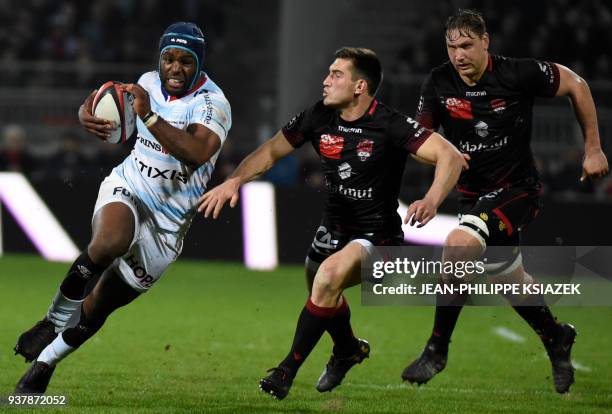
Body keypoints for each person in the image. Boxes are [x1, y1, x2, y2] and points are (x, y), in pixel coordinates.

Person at [198, 47, 467, 400]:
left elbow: (448, 154)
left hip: (380, 239)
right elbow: (270, 151)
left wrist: (431, 199)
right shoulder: (318, 116)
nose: (326, 81)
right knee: (321, 289)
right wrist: (235, 180)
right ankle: (348, 349)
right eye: (328, 73)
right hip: (334, 229)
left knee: (326, 278)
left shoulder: (391, 124)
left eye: (336, 74)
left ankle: (285, 372)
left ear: (360, 86)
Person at [14, 22, 231, 394]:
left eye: (185, 61)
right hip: (129, 187)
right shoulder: (146, 83)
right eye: (168, 58)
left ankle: (46, 362)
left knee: (99, 307)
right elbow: (103, 105)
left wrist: (148, 116)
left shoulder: (214, 104)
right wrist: (86, 113)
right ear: (159, 59)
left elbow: (196, 153)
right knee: (108, 242)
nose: (175, 68)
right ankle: (51, 321)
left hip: (169, 225)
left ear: (199, 64)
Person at [401, 9, 609, 394]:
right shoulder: (438, 81)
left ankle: (436, 349)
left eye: (466, 45)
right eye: (451, 47)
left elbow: (577, 85)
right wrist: (440, 152)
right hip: (473, 195)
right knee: (509, 280)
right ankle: (556, 336)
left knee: (458, 245)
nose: (458, 55)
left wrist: (593, 149)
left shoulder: (518, 73)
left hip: (517, 190)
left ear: (485, 42)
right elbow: (419, 144)